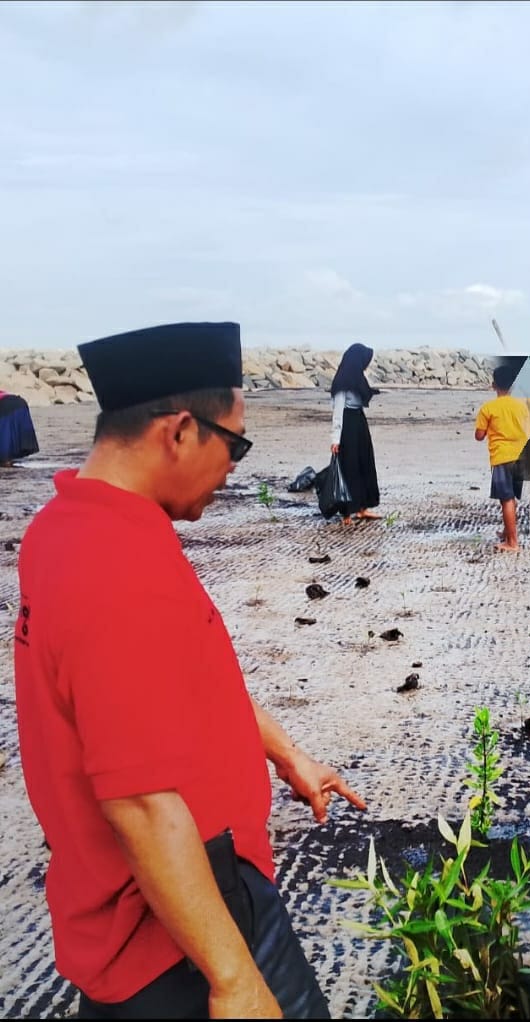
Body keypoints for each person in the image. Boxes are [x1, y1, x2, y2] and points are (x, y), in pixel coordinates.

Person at [14, 322, 366, 1020]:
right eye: (233, 444)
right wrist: (233, 979)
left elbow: (185, 686)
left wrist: (283, 751)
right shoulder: (115, 568)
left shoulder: (69, 525)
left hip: (158, 898)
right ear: (179, 431)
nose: (235, 465)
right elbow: (139, 801)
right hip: (175, 924)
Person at [474, 364, 529, 551]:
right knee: (511, 497)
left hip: (502, 456)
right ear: (512, 386)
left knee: (506, 499)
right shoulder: (520, 406)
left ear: (493, 385)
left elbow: (479, 436)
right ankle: (508, 532)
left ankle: (512, 542)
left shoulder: (488, 408)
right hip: (521, 455)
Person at [329, 342, 381, 524]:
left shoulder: (357, 378)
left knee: (364, 462)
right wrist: (335, 439)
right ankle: (345, 513)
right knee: (348, 466)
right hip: (347, 424)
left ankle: (362, 508)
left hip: (359, 421)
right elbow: (338, 411)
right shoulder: (343, 381)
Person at [0, 389, 39, 466]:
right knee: (9, 436)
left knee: (4, 436)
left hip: (6, 405)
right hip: (20, 403)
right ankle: (8, 461)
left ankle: (6, 461)